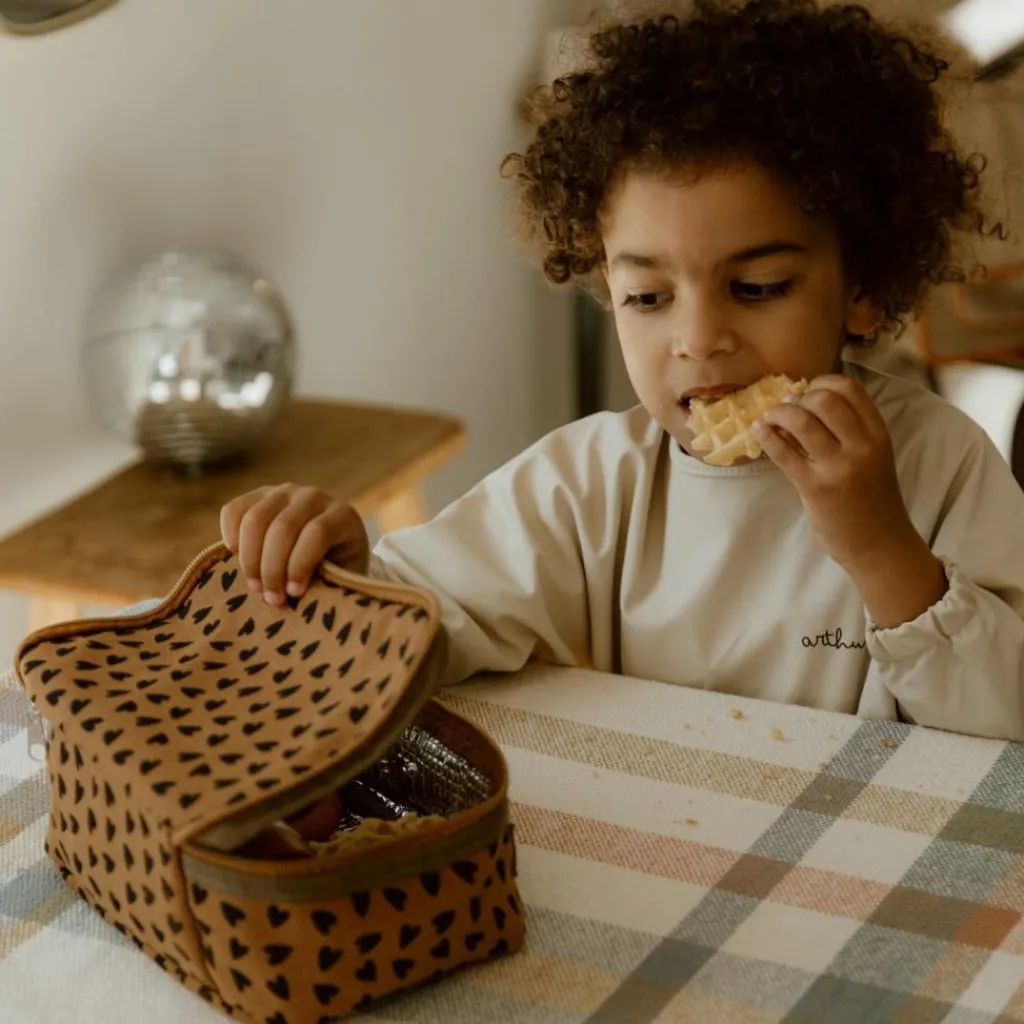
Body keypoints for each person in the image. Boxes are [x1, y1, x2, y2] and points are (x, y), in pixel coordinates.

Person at [220, 0, 1024, 741]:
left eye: (758, 288)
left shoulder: (938, 466)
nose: (700, 338)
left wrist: (884, 551)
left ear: (863, 288)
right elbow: (419, 625)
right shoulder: (586, 487)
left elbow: (1004, 722)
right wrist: (338, 567)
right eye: (648, 296)